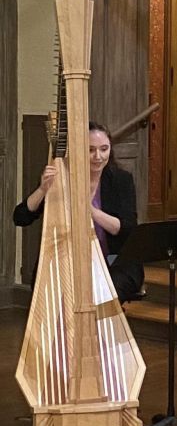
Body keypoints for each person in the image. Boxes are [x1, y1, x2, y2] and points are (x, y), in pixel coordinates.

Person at [13, 121, 144, 304]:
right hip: (70, 262)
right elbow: (20, 217)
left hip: (114, 261)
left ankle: (97, 332)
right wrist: (43, 189)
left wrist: (89, 210)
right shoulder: (63, 179)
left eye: (104, 149)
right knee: (53, 290)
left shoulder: (121, 180)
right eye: (90, 150)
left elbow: (127, 229)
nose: (98, 156)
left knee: (95, 292)